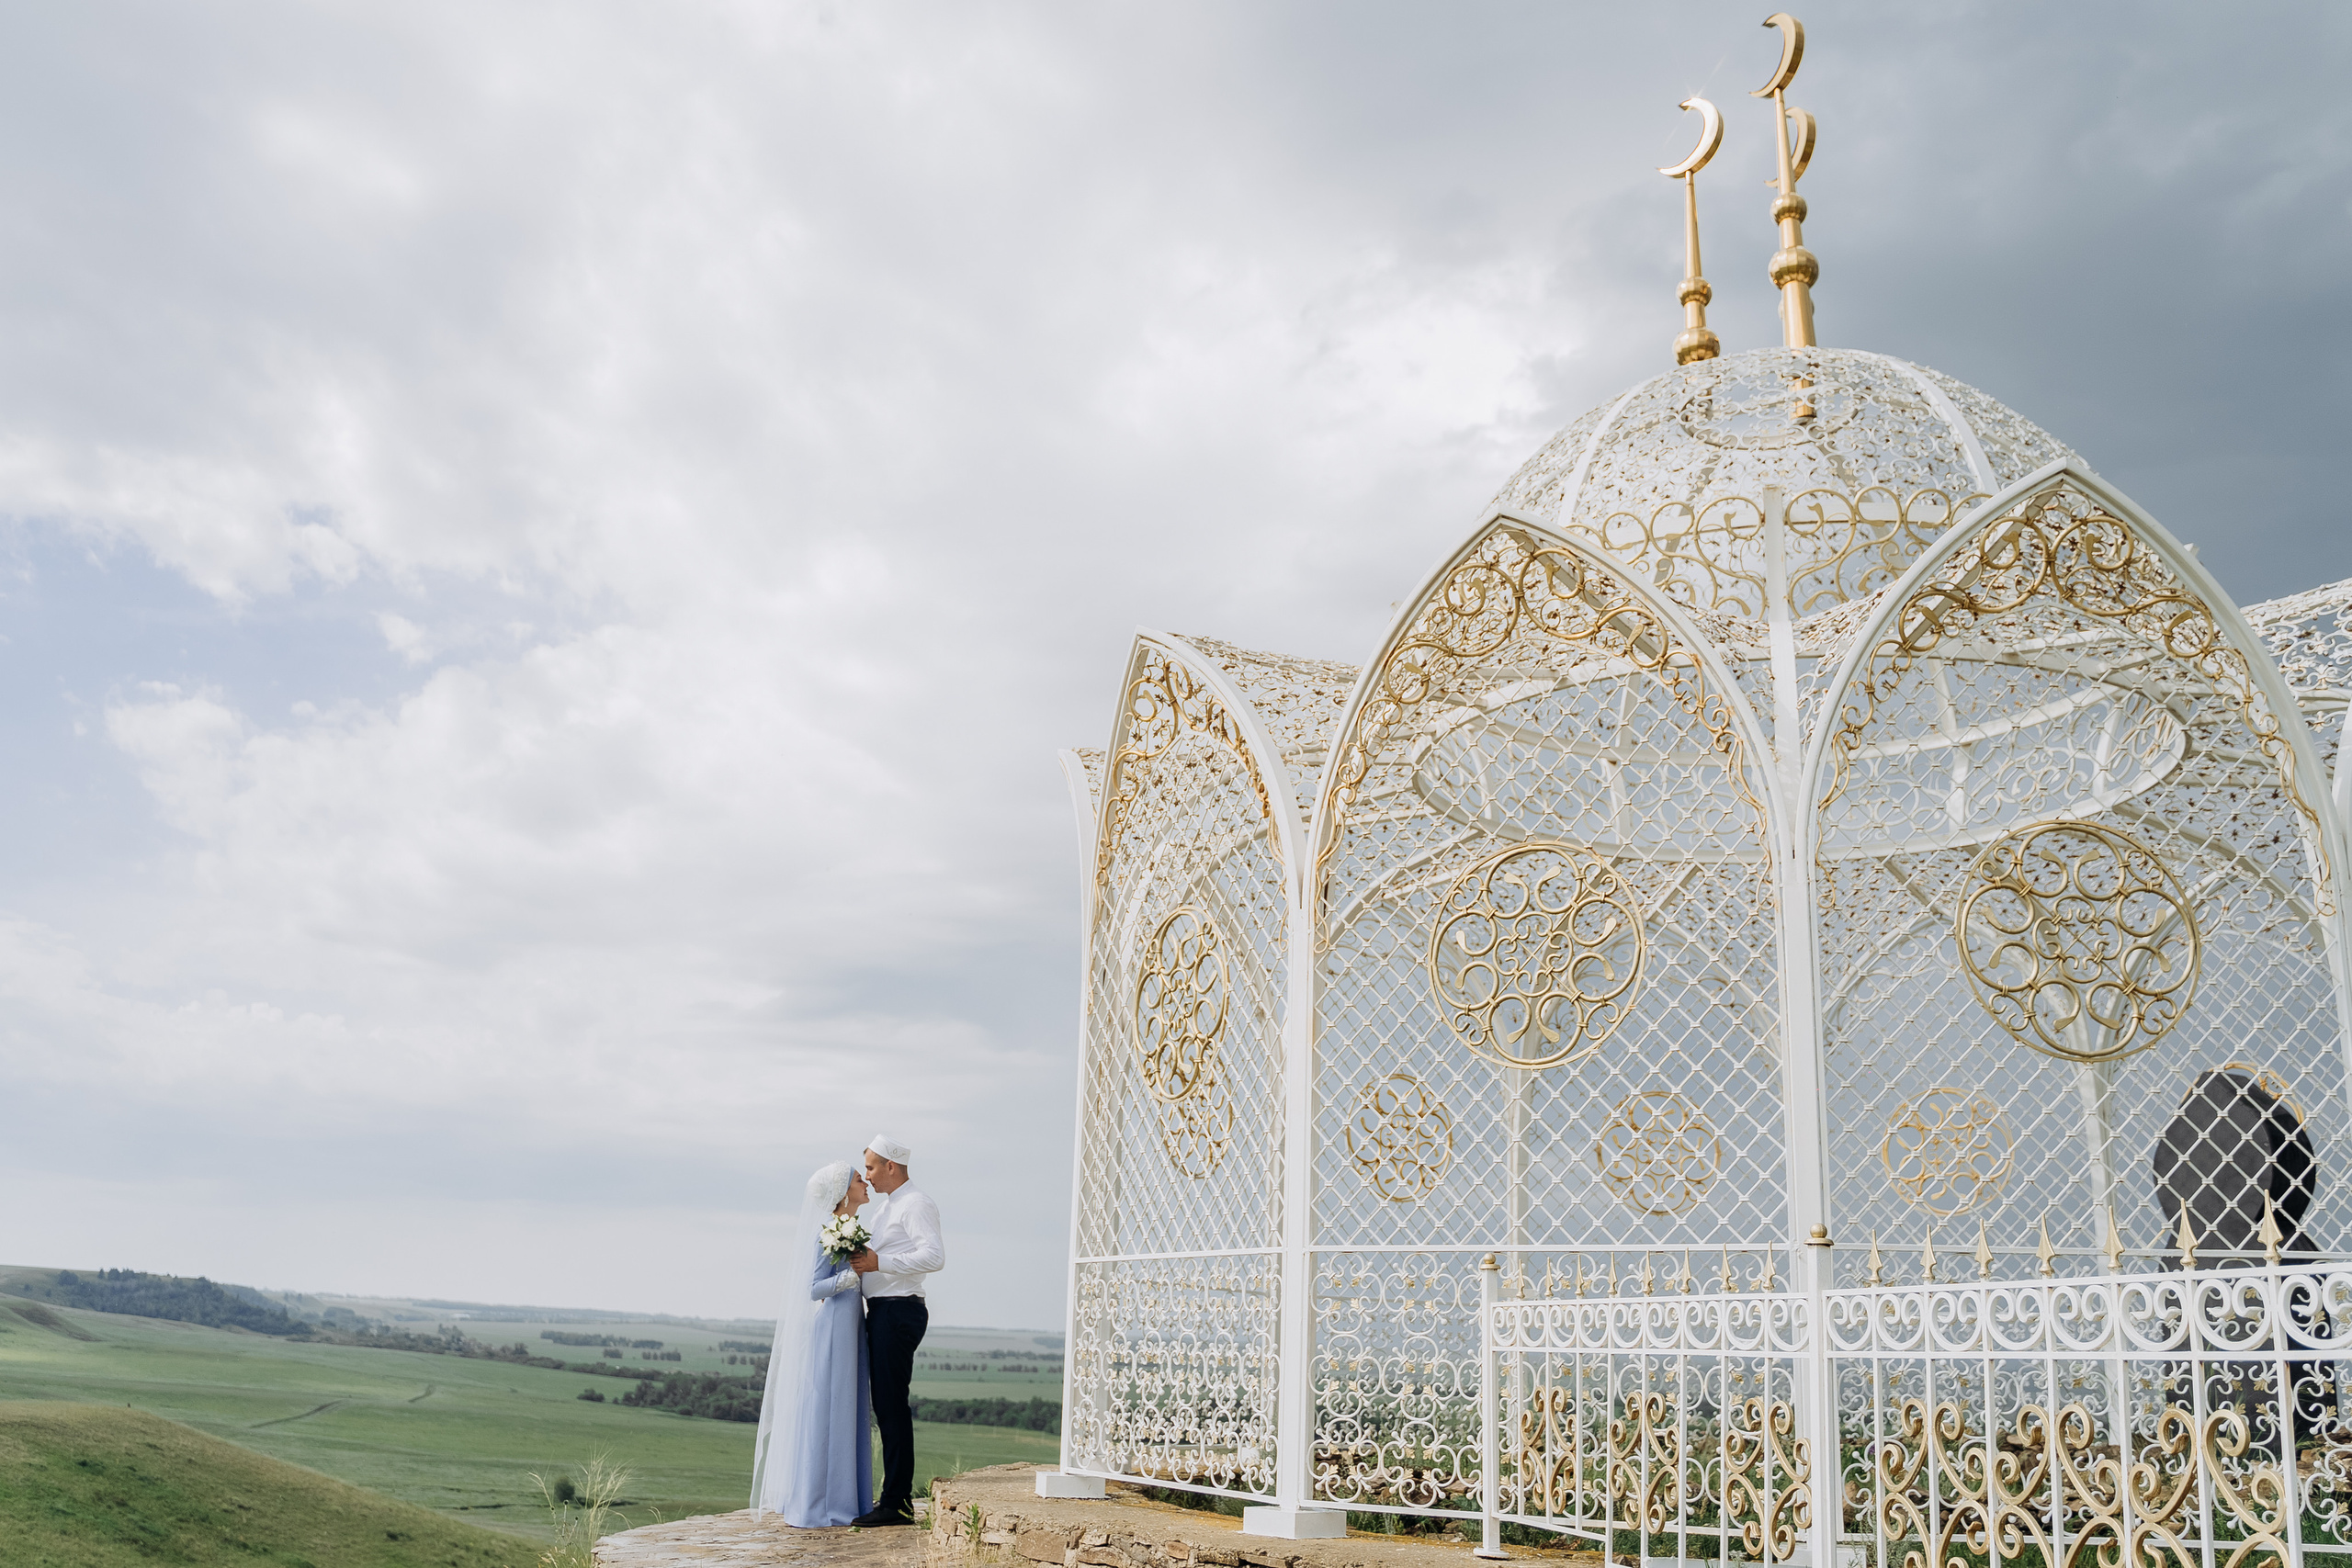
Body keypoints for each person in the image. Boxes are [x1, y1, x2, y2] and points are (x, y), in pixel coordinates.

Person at [750, 1159, 874, 1527]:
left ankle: (846, 1496)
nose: (864, 1181)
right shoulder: (828, 1234)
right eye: (857, 1178)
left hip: (851, 1325)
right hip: (834, 1327)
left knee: (847, 1405)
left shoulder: (850, 1228)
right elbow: (813, 1288)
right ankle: (823, 1501)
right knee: (829, 1406)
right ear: (842, 1192)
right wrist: (848, 1279)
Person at [849, 1133, 944, 1527]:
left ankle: (897, 1504)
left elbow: (934, 1256)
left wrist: (878, 1264)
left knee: (891, 1406)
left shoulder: (916, 1203)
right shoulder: (887, 1208)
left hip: (898, 1312)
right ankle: (893, 1498)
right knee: (885, 1406)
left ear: (891, 1166)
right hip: (884, 1311)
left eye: (870, 1167)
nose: (866, 1175)